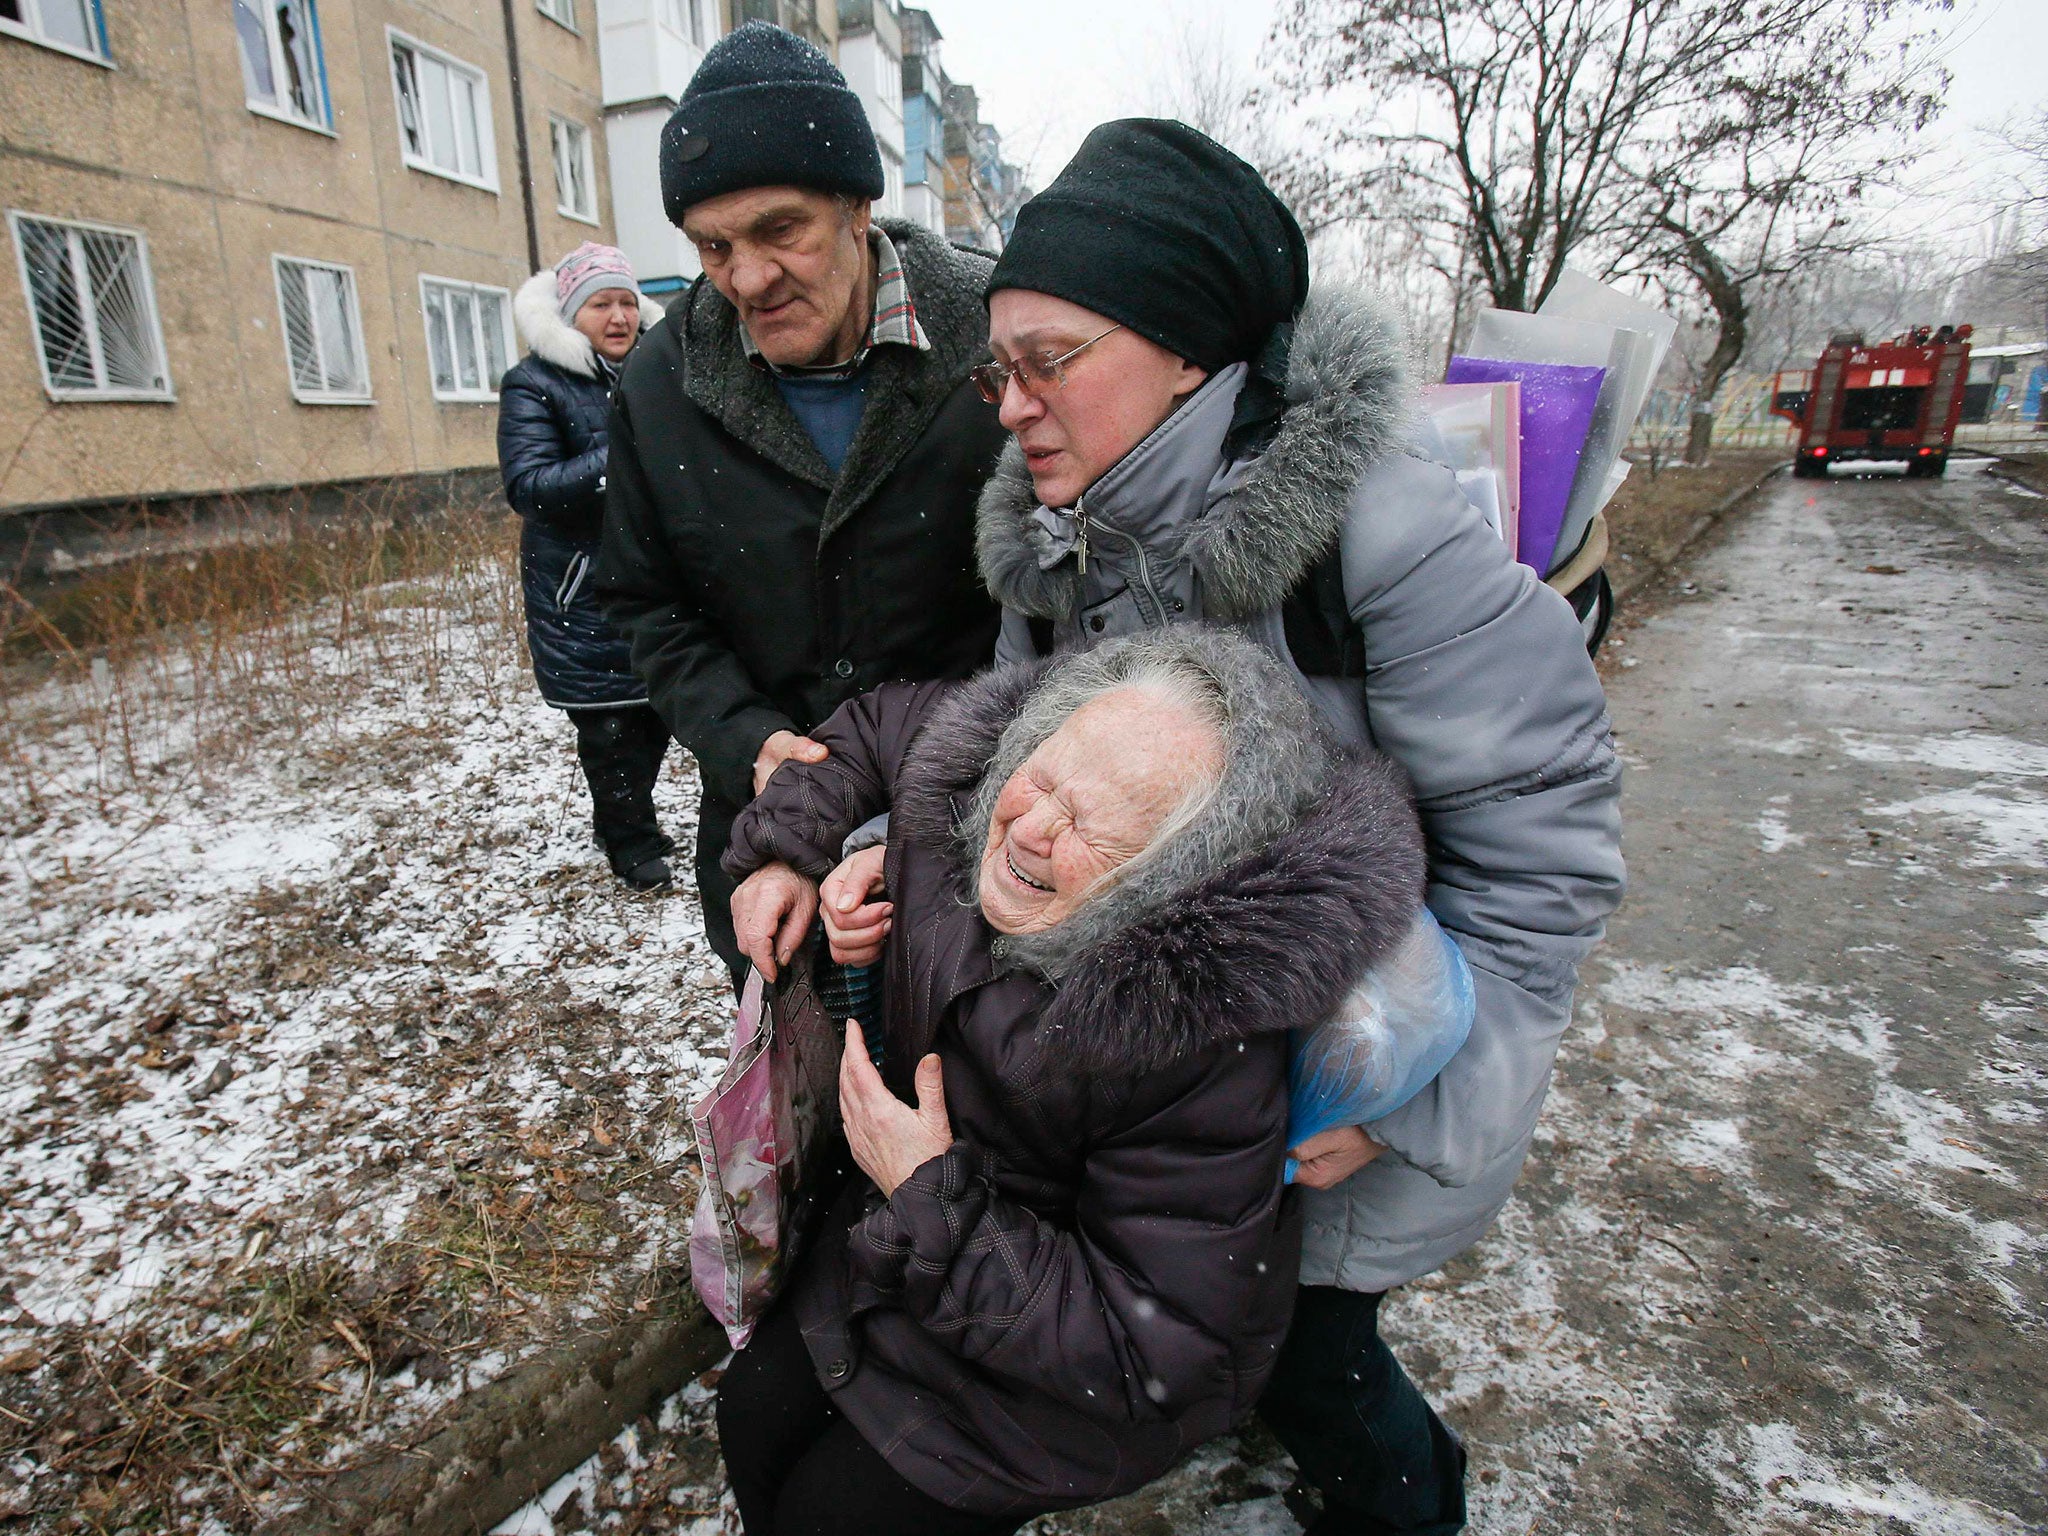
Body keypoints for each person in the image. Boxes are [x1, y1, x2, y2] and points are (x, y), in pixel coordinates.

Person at [819, 121, 1627, 1533]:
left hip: (1331, 1081)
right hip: (1174, 1093)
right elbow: (1014, 759)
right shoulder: (1058, 544)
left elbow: (1540, 846)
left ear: (1191, 353)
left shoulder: (1377, 532)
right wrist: (904, 852)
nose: (1009, 405)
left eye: (1050, 360)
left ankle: (1408, 1505)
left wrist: (1416, 1107)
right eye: (997, 367)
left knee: (1316, 1353)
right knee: (1220, 1325)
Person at [716, 628, 1431, 1536]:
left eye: (1098, 827)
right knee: (746, 1417)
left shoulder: (1198, 1049)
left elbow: (1151, 1355)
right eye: (1043, 780)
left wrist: (929, 1194)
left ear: (1174, 881)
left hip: (1035, 1386)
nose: (1031, 830)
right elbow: (872, 727)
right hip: (892, 1255)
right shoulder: (979, 782)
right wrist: (790, 850)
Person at [594, 22, 1006, 973]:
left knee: (959, 1096)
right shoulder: (662, 382)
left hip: (972, 825)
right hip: (764, 843)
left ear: (858, 207)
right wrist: (747, 743)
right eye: (712, 246)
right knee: (797, 1101)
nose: (747, 278)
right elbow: (644, 601)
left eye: (782, 230)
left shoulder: (988, 344)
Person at [498, 243, 673, 889]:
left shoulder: (657, 373)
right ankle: (629, 842)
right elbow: (531, 485)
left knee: (656, 717)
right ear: (572, 313)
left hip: (654, 582)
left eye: (628, 301)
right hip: (582, 589)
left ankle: (628, 821)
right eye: (602, 303)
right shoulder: (535, 383)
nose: (620, 315)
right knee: (610, 730)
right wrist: (622, 455)